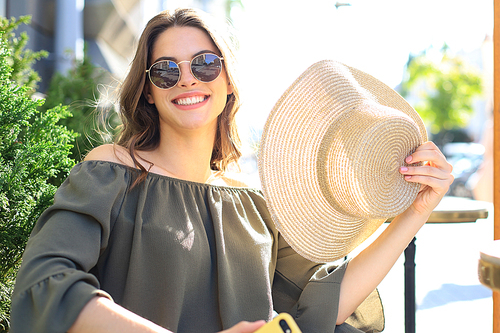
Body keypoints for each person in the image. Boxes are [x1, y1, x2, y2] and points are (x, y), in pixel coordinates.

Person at [10, 7, 454, 333]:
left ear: (227, 82)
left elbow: (324, 300)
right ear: (147, 91)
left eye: (205, 63)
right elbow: (46, 283)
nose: (187, 78)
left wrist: (413, 214)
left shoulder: (256, 203)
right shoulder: (111, 170)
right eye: (166, 70)